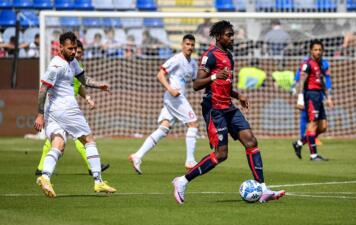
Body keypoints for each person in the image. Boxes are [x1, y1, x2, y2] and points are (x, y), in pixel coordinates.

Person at [171, 21, 285, 204]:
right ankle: (182, 181)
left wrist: (238, 95)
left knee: (251, 141)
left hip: (229, 106)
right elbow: (196, 85)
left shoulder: (229, 56)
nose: (232, 38)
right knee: (221, 154)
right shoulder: (210, 56)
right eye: (228, 35)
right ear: (218, 36)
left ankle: (263, 189)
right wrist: (215, 76)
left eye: (232, 34)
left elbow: (225, 84)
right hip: (214, 109)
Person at [34, 32, 116, 198]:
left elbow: (84, 79)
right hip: (67, 109)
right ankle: (98, 181)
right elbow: (43, 89)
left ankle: (45, 177)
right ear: (61, 47)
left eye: (75, 49)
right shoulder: (56, 65)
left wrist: (99, 85)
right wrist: (39, 114)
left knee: (58, 144)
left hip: (54, 113)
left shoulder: (73, 62)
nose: (73, 52)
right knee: (89, 140)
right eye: (70, 48)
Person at [128, 34, 199, 174]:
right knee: (193, 123)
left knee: (163, 128)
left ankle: (137, 156)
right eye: (187, 44)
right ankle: (190, 160)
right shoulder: (177, 59)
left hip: (179, 97)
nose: (190, 47)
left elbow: (196, 84)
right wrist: (170, 89)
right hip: (174, 97)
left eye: (192, 45)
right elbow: (160, 74)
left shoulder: (194, 64)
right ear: (182, 45)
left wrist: (212, 77)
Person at [294, 39, 334, 161]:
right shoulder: (307, 64)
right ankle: (314, 155)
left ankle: (299, 143)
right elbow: (301, 81)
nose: (318, 52)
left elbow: (322, 82)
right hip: (310, 95)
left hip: (319, 96)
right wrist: (300, 99)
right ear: (311, 50)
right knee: (313, 124)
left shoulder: (321, 64)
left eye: (320, 50)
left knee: (323, 126)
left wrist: (328, 97)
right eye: (315, 50)